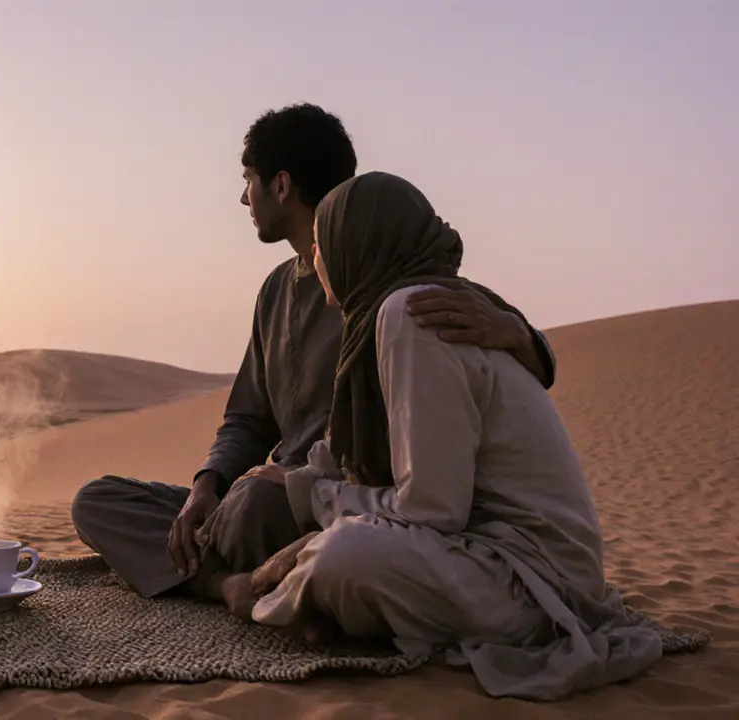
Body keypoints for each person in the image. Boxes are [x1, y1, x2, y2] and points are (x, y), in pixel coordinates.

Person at [70, 104, 559, 603]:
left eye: (249, 181)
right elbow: (247, 418)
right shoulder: (276, 291)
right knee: (99, 501)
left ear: (281, 186)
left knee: (257, 507)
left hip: (354, 505)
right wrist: (207, 485)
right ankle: (235, 580)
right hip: (276, 490)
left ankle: (222, 578)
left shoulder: (388, 282)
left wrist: (522, 335)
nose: (244, 197)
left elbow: (483, 351)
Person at [222, 170, 663, 700]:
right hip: (478, 550)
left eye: (322, 242)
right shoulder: (385, 317)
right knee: (291, 519)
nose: (315, 259)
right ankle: (304, 601)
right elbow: (353, 453)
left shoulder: (408, 315)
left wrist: (316, 499)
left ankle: (267, 596)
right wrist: (301, 482)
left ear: (354, 243)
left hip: (532, 581)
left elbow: (433, 511)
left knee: (344, 555)